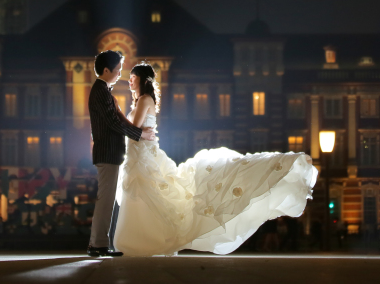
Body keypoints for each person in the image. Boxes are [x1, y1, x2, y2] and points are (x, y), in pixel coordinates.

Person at [113, 62, 318, 256]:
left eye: (132, 78)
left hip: (143, 156)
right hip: (139, 155)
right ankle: (141, 241)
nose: (129, 81)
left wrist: (117, 115)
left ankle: (143, 241)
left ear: (142, 79)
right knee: (144, 197)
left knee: (149, 195)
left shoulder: (143, 100)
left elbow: (133, 129)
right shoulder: (142, 100)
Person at [86, 50, 157, 258]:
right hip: (107, 153)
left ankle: (99, 243)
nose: (120, 74)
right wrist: (140, 134)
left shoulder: (103, 90)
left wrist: (138, 133)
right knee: (105, 199)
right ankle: (97, 244)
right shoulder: (100, 91)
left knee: (107, 199)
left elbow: (115, 120)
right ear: (106, 70)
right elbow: (113, 122)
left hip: (110, 153)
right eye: (117, 70)